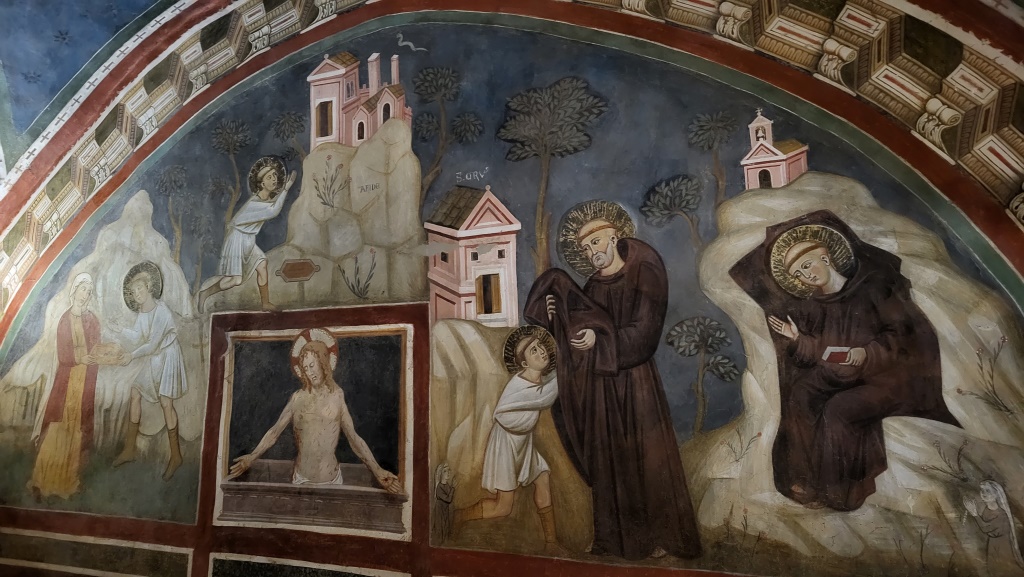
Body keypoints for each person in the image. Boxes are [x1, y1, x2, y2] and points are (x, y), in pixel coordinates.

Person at [729, 210, 961, 512]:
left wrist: (867, 353)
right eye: (799, 274)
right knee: (801, 394)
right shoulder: (815, 306)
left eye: (808, 264)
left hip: (888, 379)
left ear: (825, 257)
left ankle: (841, 491)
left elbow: (904, 336)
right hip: (844, 375)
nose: (807, 275)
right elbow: (823, 353)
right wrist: (797, 340)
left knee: (839, 409)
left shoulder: (873, 288)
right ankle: (806, 479)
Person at [522, 200, 702, 561]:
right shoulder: (592, 285)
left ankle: (660, 537)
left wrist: (601, 340)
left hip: (636, 384)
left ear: (615, 236)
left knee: (646, 458)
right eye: (585, 247)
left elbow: (646, 331)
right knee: (609, 459)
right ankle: (613, 539)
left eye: (595, 242)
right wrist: (558, 317)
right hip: (603, 388)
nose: (591, 252)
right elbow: (580, 329)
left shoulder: (645, 269)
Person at [227, 328, 401, 494]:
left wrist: (377, 470)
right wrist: (251, 457)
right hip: (301, 479)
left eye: (312, 365)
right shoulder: (297, 398)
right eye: (305, 368)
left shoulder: (337, 396)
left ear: (323, 362)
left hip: (333, 479)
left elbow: (354, 439)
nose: (309, 372)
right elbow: (274, 432)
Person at [452, 326, 569, 555]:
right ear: (524, 363)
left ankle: (551, 543)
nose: (541, 352)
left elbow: (550, 384)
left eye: (540, 347)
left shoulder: (539, 378)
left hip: (524, 442)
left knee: (542, 477)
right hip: (505, 445)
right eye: (533, 351)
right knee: (502, 507)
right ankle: (461, 516)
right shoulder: (519, 386)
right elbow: (546, 396)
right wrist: (569, 367)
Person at [28, 273, 123, 500]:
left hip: (84, 381)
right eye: (83, 290)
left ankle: (68, 482)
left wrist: (107, 354)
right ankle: (43, 480)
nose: (85, 295)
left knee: (77, 430)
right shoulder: (64, 319)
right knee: (58, 427)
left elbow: (96, 348)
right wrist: (81, 358)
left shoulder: (93, 320)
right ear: (75, 290)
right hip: (68, 379)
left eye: (89, 292)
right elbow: (63, 354)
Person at [110, 262, 189, 481]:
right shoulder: (143, 313)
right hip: (155, 358)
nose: (137, 294)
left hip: (167, 356)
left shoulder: (161, 311)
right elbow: (138, 336)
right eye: (133, 292)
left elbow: (152, 344)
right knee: (135, 392)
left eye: (140, 289)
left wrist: (131, 356)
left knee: (166, 402)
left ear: (149, 288)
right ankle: (129, 449)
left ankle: (176, 456)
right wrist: (120, 330)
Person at [197, 156, 296, 313]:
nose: (274, 179)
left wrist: (282, 191)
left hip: (248, 238)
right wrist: (286, 189)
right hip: (237, 238)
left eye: (275, 176)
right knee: (235, 280)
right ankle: (205, 293)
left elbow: (272, 204)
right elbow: (273, 210)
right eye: (269, 177)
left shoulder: (264, 200)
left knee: (262, 264)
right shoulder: (254, 204)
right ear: (262, 184)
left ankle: (265, 303)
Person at [963, 480, 1024, 576]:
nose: (984, 493)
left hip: (1002, 548)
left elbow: (986, 528)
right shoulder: (987, 510)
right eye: (982, 491)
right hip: (993, 546)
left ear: (996, 495)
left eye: (988, 491)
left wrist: (975, 514)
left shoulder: (1002, 514)